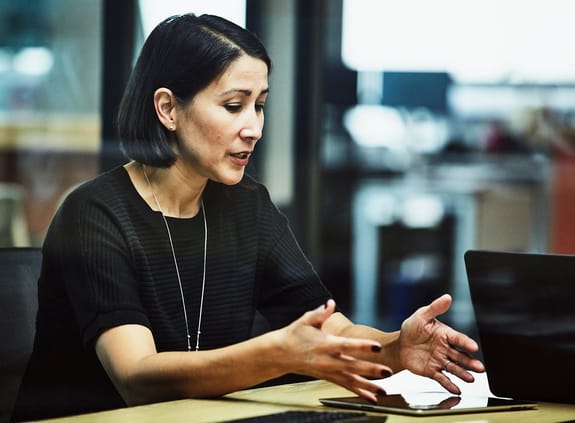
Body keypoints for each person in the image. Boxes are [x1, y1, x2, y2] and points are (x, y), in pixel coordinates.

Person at [12, 13, 484, 421]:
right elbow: (137, 377)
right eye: (234, 106)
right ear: (167, 108)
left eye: (259, 105)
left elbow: (326, 328)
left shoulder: (247, 206)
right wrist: (277, 353)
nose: (254, 127)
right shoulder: (95, 212)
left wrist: (393, 349)